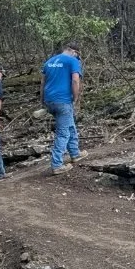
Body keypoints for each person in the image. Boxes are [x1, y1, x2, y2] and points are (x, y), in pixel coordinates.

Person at [42, 43, 84, 175]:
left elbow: (42, 82)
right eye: (78, 55)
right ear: (73, 51)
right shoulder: (72, 61)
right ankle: (57, 164)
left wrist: (42, 100)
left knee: (70, 125)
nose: (78, 57)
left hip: (50, 100)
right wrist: (75, 98)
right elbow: (75, 80)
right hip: (63, 100)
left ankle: (75, 153)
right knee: (63, 132)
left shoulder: (49, 61)